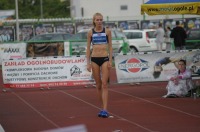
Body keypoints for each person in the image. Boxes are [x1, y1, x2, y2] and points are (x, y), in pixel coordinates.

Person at [86, 13, 112, 118]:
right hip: (94, 59)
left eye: (101, 19)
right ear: (94, 21)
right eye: (97, 20)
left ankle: (105, 109)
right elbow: (88, 48)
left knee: (105, 84)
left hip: (105, 58)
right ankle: (102, 107)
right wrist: (87, 63)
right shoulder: (90, 32)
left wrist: (110, 60)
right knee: (98, 85)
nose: (100, 21)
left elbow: (110, 47)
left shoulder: (107, 31)